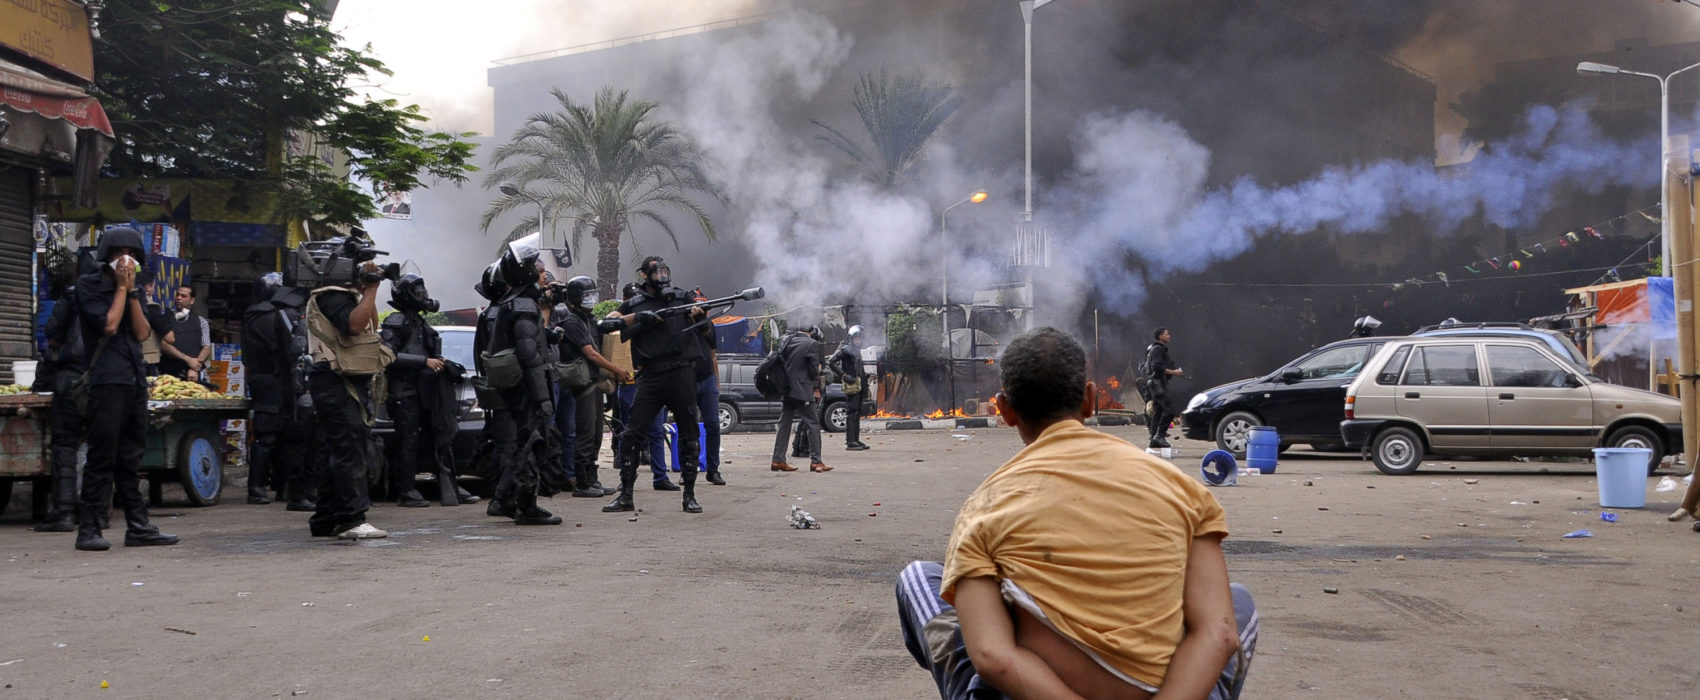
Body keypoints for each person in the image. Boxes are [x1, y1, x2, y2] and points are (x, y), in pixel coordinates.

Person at [895, 327, 1258, 700]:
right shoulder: (1183, 490)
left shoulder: (986, 505)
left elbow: (993, 656)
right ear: (1088, 399)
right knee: (1236, 602)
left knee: (918, 578)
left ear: (1004, 410)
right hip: (1160, 690)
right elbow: (1220, 633)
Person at [70, 226, 180, 551]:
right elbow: (109, 325)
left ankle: (138, 526)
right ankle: (89, 528)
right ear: (108, 256)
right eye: (118, 254)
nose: (125, 260)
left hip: (133, 378)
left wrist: (132, 293)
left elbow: (143, 332)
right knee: (102, 456)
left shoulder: (137, 291)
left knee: (132, 457)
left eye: (129, 254)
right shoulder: (88, 286)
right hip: (106, 380)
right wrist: (120, 288)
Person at [600, 256, 710, 514]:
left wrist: (697, 316)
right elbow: (606, 324)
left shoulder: (683, 299)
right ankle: (626, 495)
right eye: (656, 271)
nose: (661, 276)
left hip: (682, 373)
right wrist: (638, 318)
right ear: (644, 276)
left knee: (690, 434)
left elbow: (707, 334)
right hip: (650, 376)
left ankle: (690, 495)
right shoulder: (635, 303)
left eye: (664, 270)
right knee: (631, 435)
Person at [301, 236, 393, 540]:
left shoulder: (344, 294)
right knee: (350, 451)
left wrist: (367, 291)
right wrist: (372, 289)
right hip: (334, 381)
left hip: (343, 382)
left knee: (338, 449)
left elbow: (370, 325)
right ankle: (352, 519)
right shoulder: (331, 295)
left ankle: (326, 519)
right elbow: (353, 326)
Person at [484, 234, 565, 526]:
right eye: (535, 265)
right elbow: (530, 358)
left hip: (517, 387)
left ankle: (506, 498)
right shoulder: (523, 307)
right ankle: (525, 505)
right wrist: (542, 398)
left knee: (524, 443)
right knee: (531, 443)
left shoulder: (513, 302)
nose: (540, 270)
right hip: (526, 388)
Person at [554, 275, 629, 498]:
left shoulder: (588, 319)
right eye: (587, 295)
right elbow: (590, 353)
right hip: (582, 386)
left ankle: (592, 479)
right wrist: (616, 370)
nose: (592, 299)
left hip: (593, 384)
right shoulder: (572, 322)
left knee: (596, 434)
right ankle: (582, 482)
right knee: (585, 434)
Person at [380, 273, 448, 508]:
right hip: (403, 390)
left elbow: (430, 350)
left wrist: (440, 360)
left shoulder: (419, 322)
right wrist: (423, 362)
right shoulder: (395, 322)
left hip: (423, 390)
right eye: (418, 290)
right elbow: (388, 356)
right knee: (408, 440)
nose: (423, 294)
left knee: (437, 435)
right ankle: (406, 489)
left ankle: (445, 485)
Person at [31, 274, 92, 533]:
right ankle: (96, 513)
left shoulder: (72, 294)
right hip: (108, 381)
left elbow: (53, 335)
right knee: (100, 447)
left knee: (65, 446)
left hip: (72, 380)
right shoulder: (123, 294)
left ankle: (64, 512)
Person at [608, 282, 675, 489]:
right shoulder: (621, 324)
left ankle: (660, 477)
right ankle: (626, 478)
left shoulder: (651, 322)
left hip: (648, 379)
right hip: (628, 384)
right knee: (630, 432)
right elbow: (609, 320)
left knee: (655, 431)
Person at [242, 272, 294, 505]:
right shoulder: (269, 316)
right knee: (268, 436)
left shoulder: (254, 315)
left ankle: (276, 485)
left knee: (278, 434)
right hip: (271, 379)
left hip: (265, 379)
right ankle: (257, 487)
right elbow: (285, 349)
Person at [770, 323, 831, 473]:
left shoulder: (787, 341)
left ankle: (778, 460)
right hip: (803, 390)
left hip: (787, 389)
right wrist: (816, 387)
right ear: (812, 330)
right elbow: (813, 370)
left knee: (784, 425)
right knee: (813, 424)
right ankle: (816, 462)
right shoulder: (812, 344)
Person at [691, 304, 726, 485]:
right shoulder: (683, 324)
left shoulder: (708, 325)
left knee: (713, 425)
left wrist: (716, 382)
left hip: (707, 380)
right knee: (689, 427)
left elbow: (713, 355)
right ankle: (688, 469)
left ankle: (713, 470)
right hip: (688, 381)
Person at [1144, 327, 1184, 450]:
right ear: (1160, 336)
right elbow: (1157, 367)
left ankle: (1153, 439)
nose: (1169, 336)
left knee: (1159, 411)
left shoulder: (1156, 349)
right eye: (1167, 334)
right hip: (1157, 384)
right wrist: (1173, 372)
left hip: (1156, 383)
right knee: (1170, 410)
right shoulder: (1158, 349)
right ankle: (1159, 436)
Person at [159, 285, 210, 380]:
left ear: (192, 300)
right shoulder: (165, 318)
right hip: (169, 373)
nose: (179, 298)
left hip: (192, 374)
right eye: (177, 295)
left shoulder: (201, 321)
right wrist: (188, 360)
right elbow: (163, 344)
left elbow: (206, 348)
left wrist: (194, 368)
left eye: (184, 296)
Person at [833, 325, 870, 452]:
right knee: (851, 412)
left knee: (857, 412)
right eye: (856, 339)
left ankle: (856, 439)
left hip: (859, 385)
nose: (858, 341)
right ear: (851, 339)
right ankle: (850, 441)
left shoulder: (857, 350)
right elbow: (832, 362)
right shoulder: (846, 350)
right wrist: (844, 375)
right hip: (852, 385)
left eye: (860, 339)